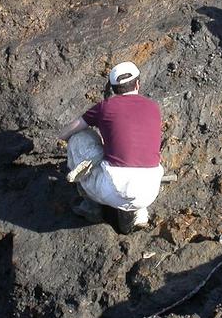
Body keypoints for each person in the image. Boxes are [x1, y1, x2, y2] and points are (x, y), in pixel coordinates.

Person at [58, 61, 164, 233]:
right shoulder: (154, 107)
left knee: (79, 138)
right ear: (138, 83)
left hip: (112, 190)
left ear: (113, 88)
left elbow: (66, 134)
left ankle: (91, 206)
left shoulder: (104, 107)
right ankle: (138, 212)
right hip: (149, 192)